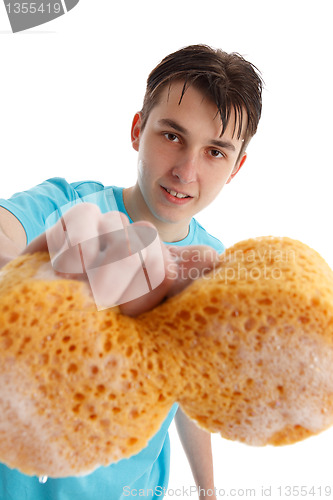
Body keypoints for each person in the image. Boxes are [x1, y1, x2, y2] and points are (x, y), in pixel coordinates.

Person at [0, 44, 263, 499]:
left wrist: (208, 489)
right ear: (138, 129)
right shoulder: (64, 204)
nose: (186, 171)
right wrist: (27, 278)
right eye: (172, 136)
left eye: (215, 152)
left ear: (237, 167)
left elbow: (188, 387)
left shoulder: (214, 264)